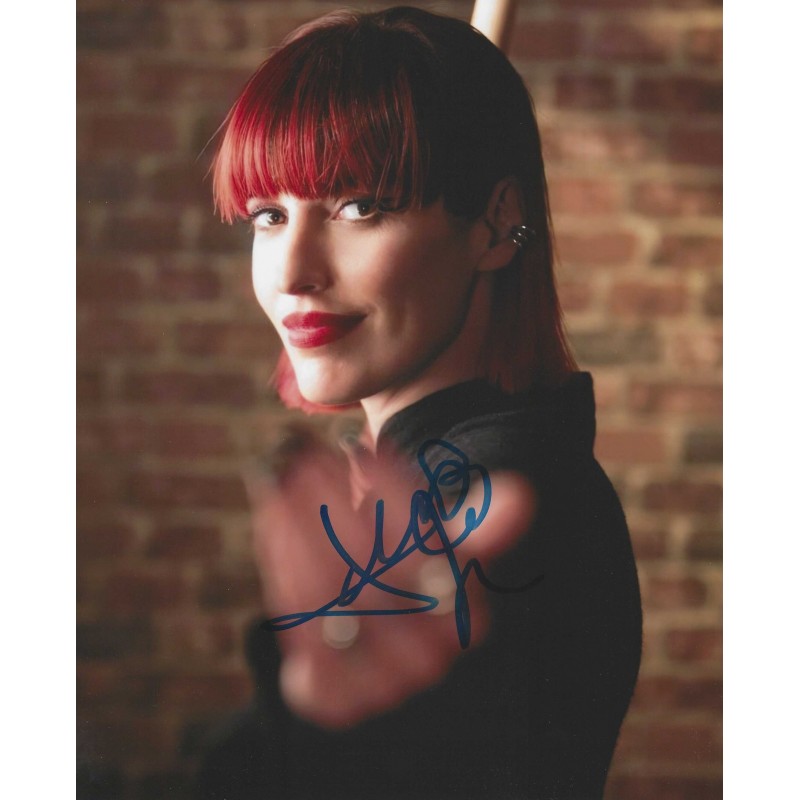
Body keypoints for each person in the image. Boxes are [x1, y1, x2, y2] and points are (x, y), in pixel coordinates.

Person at [197, 7, 642, 799]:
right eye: (270, 215)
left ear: (496, 224)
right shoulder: (466, 476)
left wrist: (331, 733)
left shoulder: (487, 506)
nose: (293, 270)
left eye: (359, 206)